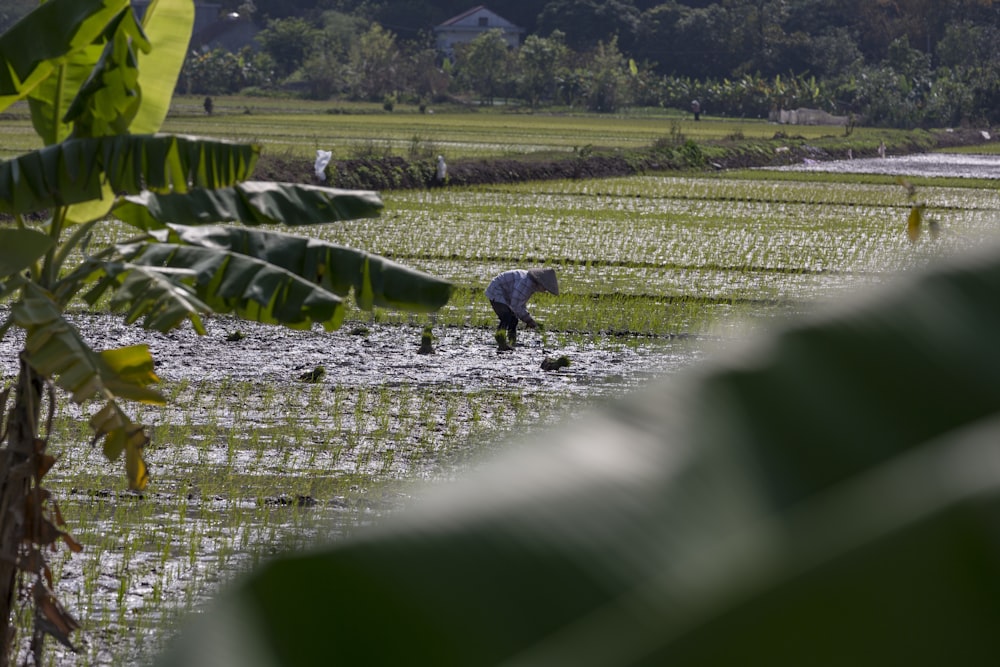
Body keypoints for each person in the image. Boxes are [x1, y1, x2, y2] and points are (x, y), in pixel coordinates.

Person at [485, 268, 559, 347]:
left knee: (514, 319)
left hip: (505, 292)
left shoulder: (531, 284)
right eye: (545, 288)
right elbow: (516, 305)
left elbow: (520, 303)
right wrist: (529, 320)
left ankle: (511, 342)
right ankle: (500, 339)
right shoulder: (526, 284)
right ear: (540, 283)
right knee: (506, 317)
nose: (545, 290)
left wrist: (527, 319)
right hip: (496, 290)